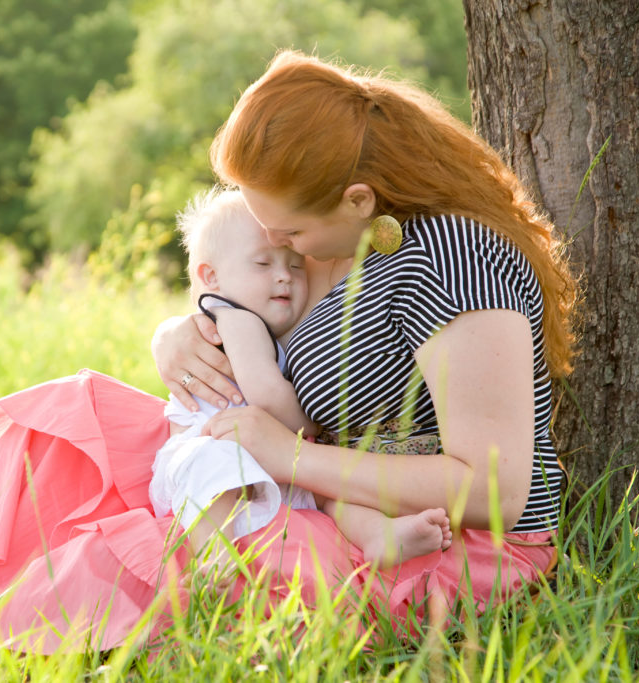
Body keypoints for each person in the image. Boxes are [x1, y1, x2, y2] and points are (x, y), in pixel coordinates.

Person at [0, 49, 576, 655]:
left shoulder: (455, 259)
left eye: (285, 230)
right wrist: (184, 328)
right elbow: (244, 295)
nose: (278, 245)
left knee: (157, 543)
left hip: (444, 541)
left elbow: (496, 493)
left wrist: (286, 456)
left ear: (356, 199)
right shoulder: (340, 240)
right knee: (66, 418)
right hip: (303, 482)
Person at [149, 187, 452, 572]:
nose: (283, 278)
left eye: (294, 266)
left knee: (331, 497)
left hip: (264, 452)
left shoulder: (268, 324)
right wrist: (315, 424)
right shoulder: (236, 320)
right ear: (212, 276)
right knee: (215, 471)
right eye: (263, 265)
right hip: (213, 444)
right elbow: (266, 395)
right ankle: (213, 554)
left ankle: (378, 535)